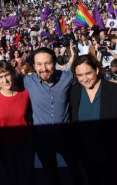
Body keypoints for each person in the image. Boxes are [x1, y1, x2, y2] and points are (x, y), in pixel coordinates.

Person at [23, 47, 84, 185]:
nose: (43, 68)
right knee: (51, 175)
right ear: (33, 66)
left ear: (55, 63)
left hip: (66, 136)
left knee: (76, 170)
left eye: (48, 63)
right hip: (42, 138)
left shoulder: (67, 77)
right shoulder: (27, 81)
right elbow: (3, 85)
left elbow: (87, 79)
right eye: (39, 64)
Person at [70, 55, 117, 185]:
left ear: (97, 70)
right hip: (86, 155)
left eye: (88, 73)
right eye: (79, 75)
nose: (84, 79)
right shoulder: (75, 91)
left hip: (111, 156)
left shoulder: (116, 91)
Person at [0, 61, 35, 185]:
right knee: (12, 176)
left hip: (26, 142)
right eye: (0, 77)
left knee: (29, 174)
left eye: (7, 75)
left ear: (13, 74)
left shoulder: (25, 93)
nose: (5, 80)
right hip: (5, 145)